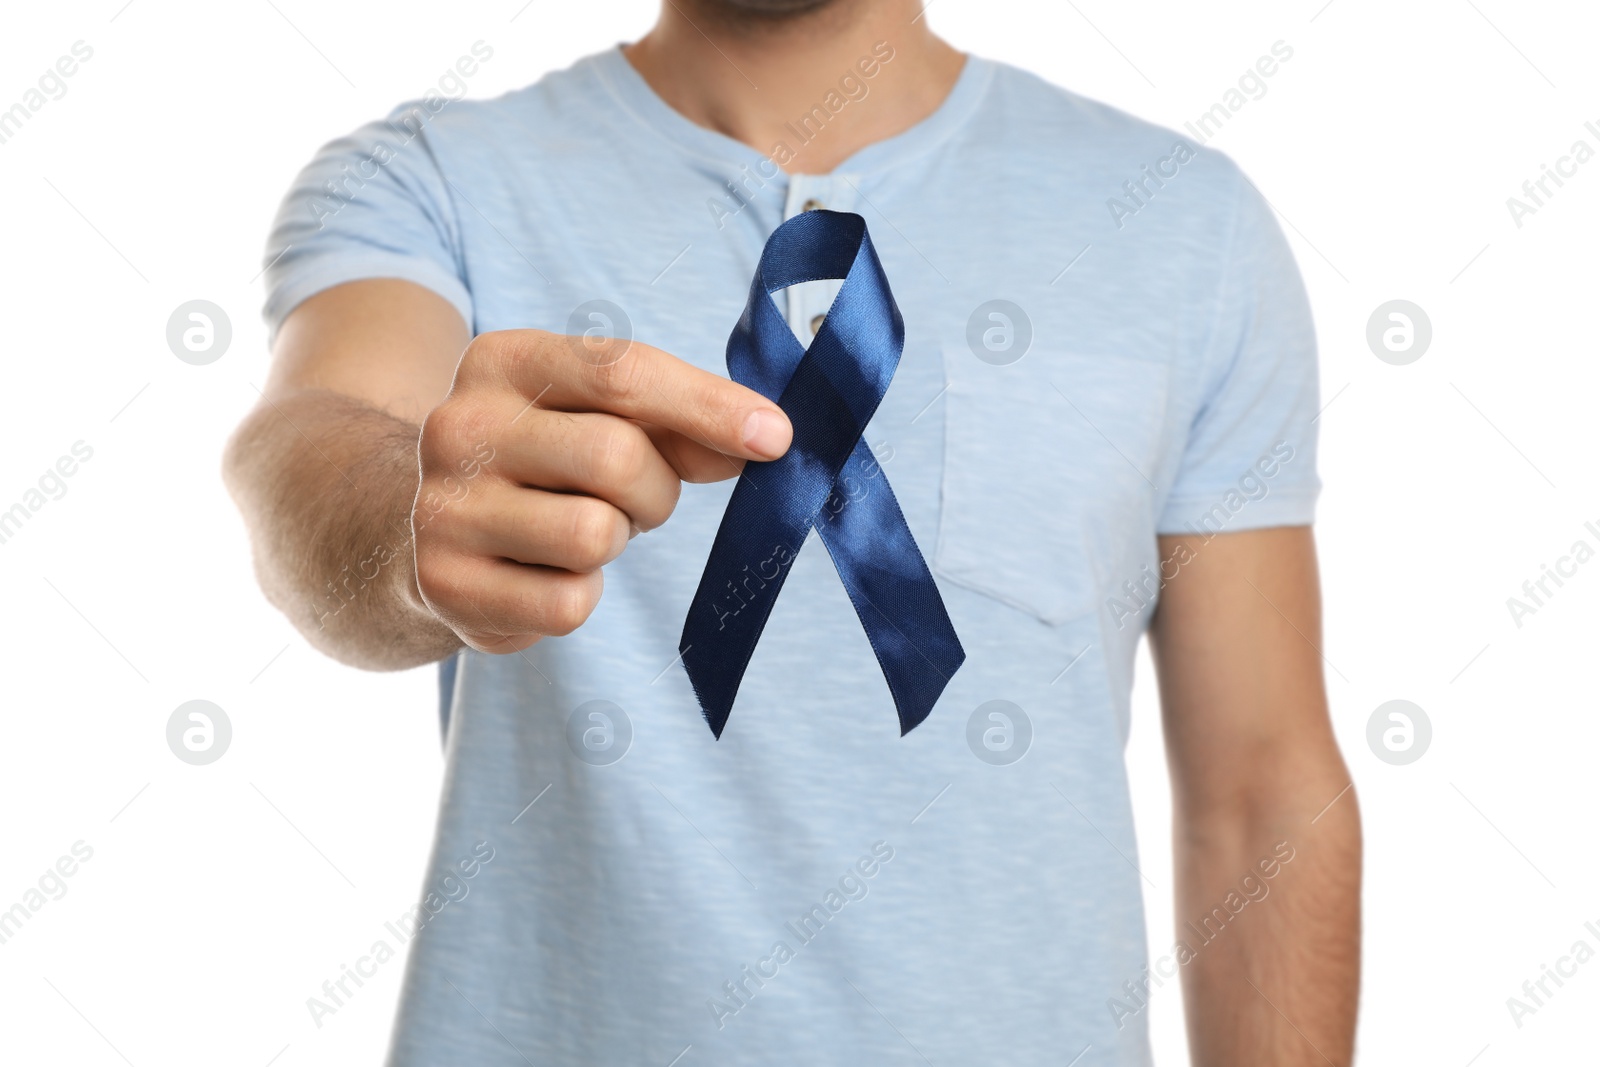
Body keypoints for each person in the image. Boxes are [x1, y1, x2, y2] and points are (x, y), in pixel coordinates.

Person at [223, 0, 1361, 1062]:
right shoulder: (428, 182)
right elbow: (318, 442)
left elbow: (1258, 784)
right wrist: (410, 521)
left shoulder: (1184, 221)